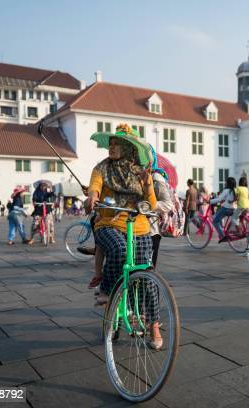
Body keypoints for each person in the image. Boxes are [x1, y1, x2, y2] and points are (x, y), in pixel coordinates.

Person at [84, 125, 161, 348]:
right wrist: (92, 197)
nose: (112, 147)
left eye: (117, 143)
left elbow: (152, 205)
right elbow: (94, 187)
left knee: (147, 279)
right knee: (118, 250)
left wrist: (148, 185)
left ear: (128, 147)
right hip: (109, 222)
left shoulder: (140, 171)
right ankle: (107, 291)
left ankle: (154, 325)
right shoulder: (101, 168)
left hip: (139, 226)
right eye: (111, 143)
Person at [211, 177, 237, 242]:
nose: (225, 183)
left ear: (228, 183)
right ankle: (222, 230)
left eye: (226, 182)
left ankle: (222, 235)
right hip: (234, 209)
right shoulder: (235, 190)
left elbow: (219, 199)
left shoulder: (226, 190)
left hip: (226, 209)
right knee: (218, 215)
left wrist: (210, 201)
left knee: (214, 221)